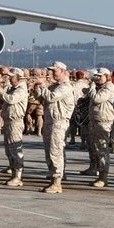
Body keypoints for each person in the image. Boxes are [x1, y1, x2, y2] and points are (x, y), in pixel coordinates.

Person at [34, 61, 75, 194]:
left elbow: (51, 98)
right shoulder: (53, 86)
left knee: (55, 151)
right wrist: (37, 87)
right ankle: (53, 178)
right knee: (49, 151)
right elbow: (39, 98)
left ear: (62, 71)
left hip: (59, 122)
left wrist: (42, 84)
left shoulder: (65, 86)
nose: (51, 73)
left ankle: (57, 182)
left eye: (54, 71)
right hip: (50, 121)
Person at [0, 68, 28, 186]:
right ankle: (13, 173)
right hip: (8, 120)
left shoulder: (21, 90)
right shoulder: (12, 88)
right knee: (9, 149)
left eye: (12, 76)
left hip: (15, 121)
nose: (9, 78)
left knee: (15, 149)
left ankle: (18, 176)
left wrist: (0, 89)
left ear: (19, 77)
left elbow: (11, 100)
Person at [87, 68, 114, 187]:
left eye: (100, 76)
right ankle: (99, 174)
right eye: (96, 76)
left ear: (107, 76)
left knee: (102, 149)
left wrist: (91, 86)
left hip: (104, 121)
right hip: (95, 120)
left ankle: (103, 176)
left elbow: (97, 99)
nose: (97, 78)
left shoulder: (108, 87)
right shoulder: (99, 87)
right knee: (96, 149)